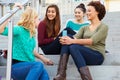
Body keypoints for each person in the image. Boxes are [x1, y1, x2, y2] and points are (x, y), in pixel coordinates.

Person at [54, 1, 108, 80]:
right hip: (85, 54)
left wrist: (71, 41)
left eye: (89, 11)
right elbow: (74, 38)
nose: (87, 13)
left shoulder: (103, 26)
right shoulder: (85, 28)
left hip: (97, 56)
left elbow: (92, 41)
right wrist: (65, 40)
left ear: (97, 12)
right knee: (68, 38)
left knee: (73, 46)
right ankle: (61, 73)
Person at [0, 3, 53, 80]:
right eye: (38, 19)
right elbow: (1, 30)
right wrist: (11, 13)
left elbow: (31, 50)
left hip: (29, 66)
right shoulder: (19, 30)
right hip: (17, 67)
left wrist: (43, 58)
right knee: (38, 65)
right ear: (31, 19)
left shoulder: (31, 34)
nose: (40, 21)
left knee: (44, 74)